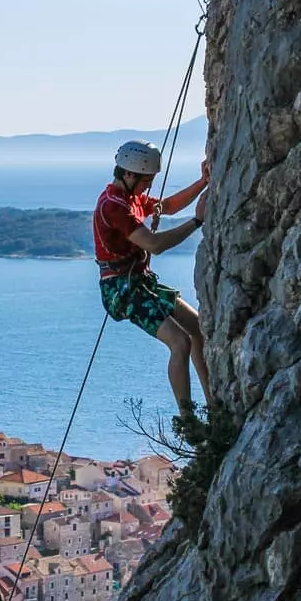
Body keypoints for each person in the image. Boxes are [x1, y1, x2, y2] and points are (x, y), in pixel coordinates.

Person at [93, 139, 213, 415]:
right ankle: (188, 420)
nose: (149, 185)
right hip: (121, 289)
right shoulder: (114, 206)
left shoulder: (129, 197)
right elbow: (154, 244)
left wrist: (202, 182)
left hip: (140, 282)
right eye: (147, 180)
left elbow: (167, 206)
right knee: (180, 342)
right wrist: (197, 221)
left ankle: (213, 404)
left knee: (197, 328)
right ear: (129, 175)